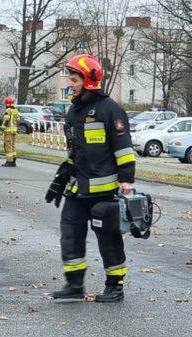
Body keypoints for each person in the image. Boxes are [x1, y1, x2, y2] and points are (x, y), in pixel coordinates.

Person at [46, 54, 136, 303]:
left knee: (108, 239)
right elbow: (77, 149)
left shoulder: (110, 109)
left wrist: (127, 180)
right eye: (71, 79)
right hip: (77, 188)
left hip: (104, 190)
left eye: (74, 79)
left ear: (89, 80)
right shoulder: (75, 109)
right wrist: (64, 174)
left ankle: (114, 287)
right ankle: (74, 285)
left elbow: (124, 148)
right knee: (70, 233)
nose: (70, 84)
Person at [0, 96, 21, 167]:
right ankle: (14, 161)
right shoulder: (16, 110)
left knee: (8, 146)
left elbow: (6, 120)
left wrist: (2, 129)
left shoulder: (8, 110)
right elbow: (18, 120)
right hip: (14, 131)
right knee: (13, 146)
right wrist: (16, 128)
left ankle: (9, 161)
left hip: (8, 131)